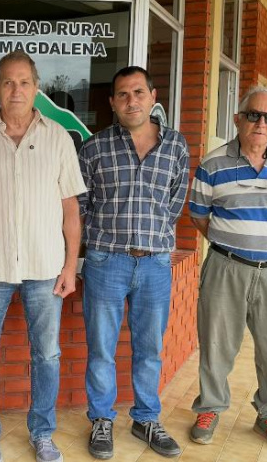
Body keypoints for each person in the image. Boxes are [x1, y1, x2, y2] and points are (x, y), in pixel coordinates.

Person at [0, 51, 86, 462]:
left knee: (46, 356)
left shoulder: (58, 138)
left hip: (45, 266)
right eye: (8, 82)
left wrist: (69, 266)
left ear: (36, 88)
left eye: (24, 81)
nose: (16, 90)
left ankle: (42, 434)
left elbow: (70, 211)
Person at [187, 86, 267, 453]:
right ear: (238, 119)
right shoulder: (213, 163)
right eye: (253, 114)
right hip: (226, 269)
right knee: (216, 346)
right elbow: (199, 215)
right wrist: (232, 244)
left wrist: (265, 242)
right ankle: (209, 407)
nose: (260, 123)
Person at [78, 66, 189, 459]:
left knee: (149, 349)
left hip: (156, 263)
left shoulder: (176, 146)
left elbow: (175, 202)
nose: (131, 100)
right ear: (112, 103)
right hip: (106, 261)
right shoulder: (94, 148)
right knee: (102, 348)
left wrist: (154, 237)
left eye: (138, 92)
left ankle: (145, 418)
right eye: (122, 94)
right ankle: (102, 420)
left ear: (153, 96)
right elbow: (81, 205)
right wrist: (103, 241)